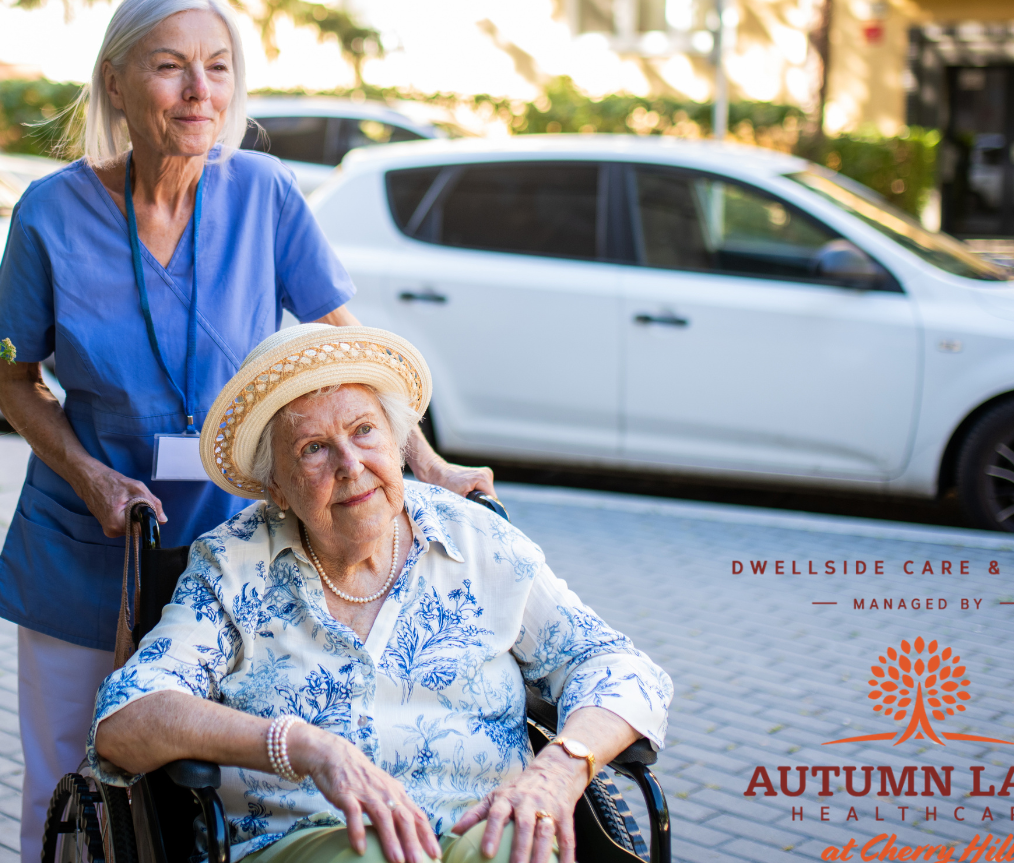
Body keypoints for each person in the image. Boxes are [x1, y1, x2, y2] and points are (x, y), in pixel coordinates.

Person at [0, 0, 494, 863]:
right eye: (171, 68)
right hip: (86, 541)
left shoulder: (263, 192)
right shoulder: (51, 213)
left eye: (216, 69)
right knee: (66, 783)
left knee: (212, 786)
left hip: (233, 550)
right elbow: (14, 380)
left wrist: (431, 464)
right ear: (115, 83)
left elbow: (350, 350)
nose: (199, 93)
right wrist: (91, 474)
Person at [90, 323, 672, 863]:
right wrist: (305, 746)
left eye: (364, 431)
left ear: (396, 442)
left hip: (487, 832)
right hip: (317, 841)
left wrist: (561, 770)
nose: (351, 464)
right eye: (313, 448)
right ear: (278, 490)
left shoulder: (477, 541)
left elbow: (618, 667)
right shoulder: (234, 566)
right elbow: (127, 720)